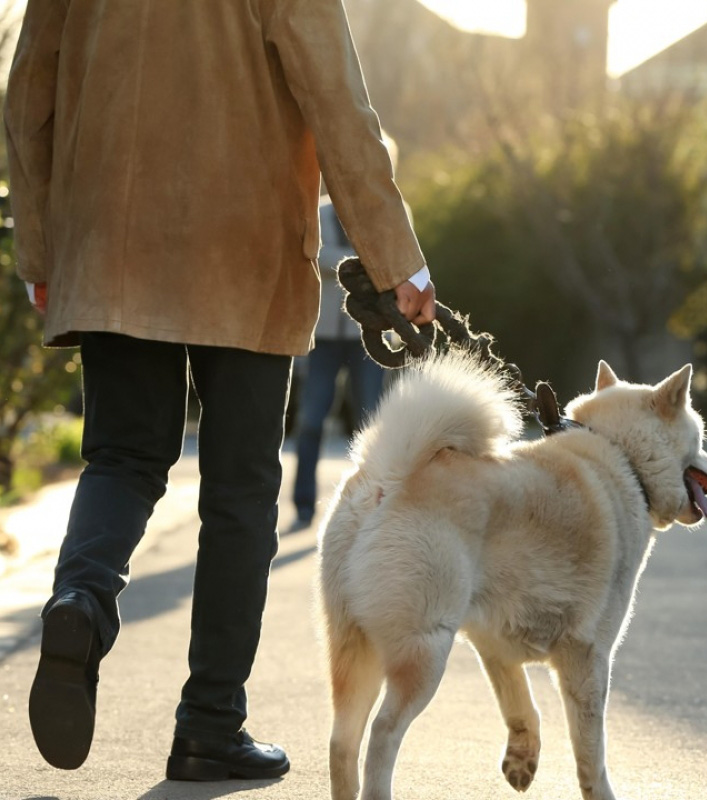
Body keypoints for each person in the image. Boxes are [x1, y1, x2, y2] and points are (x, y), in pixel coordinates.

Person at [4, 0, 434, 780]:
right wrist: (394, 254)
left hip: (110, 241)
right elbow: (334, 91)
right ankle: (209, 726)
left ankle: (82, 599)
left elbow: (29, 90)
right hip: (245, 246)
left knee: (122, 460)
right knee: (238, 493)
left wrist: (40, 248)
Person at [291, 198, 385, 529]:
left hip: (371, 336)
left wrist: (354, 264)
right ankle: (304, 505)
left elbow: (396, 261)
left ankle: (375, 507)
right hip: (323, 338)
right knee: (311, 421)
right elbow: (315, 255)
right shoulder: (317, 212)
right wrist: (366, 262)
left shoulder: (388, 209)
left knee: (372, 426)